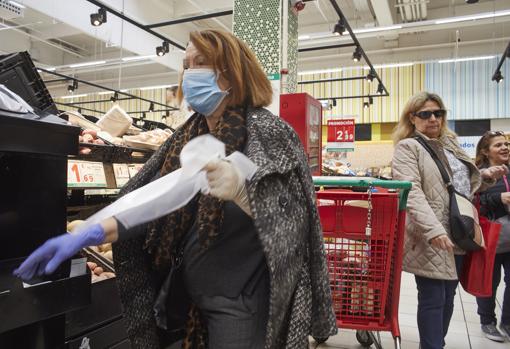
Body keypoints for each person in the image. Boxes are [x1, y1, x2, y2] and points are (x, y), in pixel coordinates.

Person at [13, 29, 337, 349]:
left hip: (242, 308)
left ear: (231, 72)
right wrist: (91, 233)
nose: (189, 73)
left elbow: (291, 220)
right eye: (186, 64)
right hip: (190, 304)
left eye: (200, 62)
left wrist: (243, 190)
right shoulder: (189, 134)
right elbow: (160, 197)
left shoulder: (268, 133)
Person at [391, 91, 507, 349]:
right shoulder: (408, 147)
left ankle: (436, 344)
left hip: (459, 230)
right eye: (425, 114)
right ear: (412, 118)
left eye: (438, 113)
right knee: (433, 297)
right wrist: (432, 229)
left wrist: (485, 175)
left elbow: (459, 187)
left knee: (449, 296)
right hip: (430, 234)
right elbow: (412, 191)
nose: (433, 119)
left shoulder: (450, 145)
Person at [475, 131, 510, 342]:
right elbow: (474, 201)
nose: (505, 148)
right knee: (490, 281)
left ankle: (507, 322)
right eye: (498, 145)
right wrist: (499, 198)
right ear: (486, 151)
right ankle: (487, 321)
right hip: (492, 236)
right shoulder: (480, 174)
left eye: (506, 144)